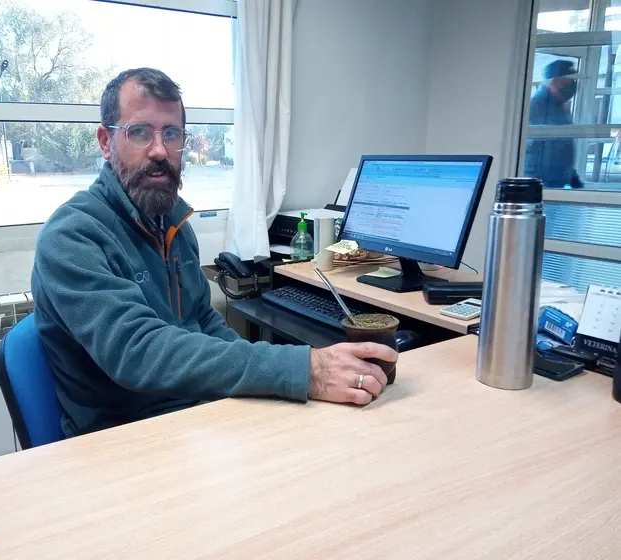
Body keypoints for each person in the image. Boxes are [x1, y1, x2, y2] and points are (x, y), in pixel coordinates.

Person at [31, 67, 396, 438]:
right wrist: (304, 370)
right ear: (106, 142)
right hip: (122, 439)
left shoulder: (173, 223)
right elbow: (139, 352)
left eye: (171, 134)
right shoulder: (72, 236)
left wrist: (271, 384)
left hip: (192, 419)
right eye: (139, 132)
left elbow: (203, 322)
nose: (159, 150)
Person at [524, 59, 584, 189]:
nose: (572, 85)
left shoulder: (559, 106)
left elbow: (561, 147)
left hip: (557, 182)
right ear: (555, 82)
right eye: (568, 81)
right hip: (541, 184)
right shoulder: (538, 107)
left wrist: (572, 176)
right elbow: (535, 151)